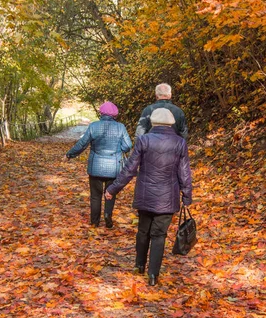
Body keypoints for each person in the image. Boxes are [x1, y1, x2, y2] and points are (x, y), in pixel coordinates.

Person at [105, 108, 192, 286]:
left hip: (145, 196)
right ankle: (153, 275)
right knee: (159, 235)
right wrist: (187, 195)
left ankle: (139, 265)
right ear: (171, 123)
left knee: (143, 231)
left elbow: (130, 169)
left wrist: (113, 189)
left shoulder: (143, 140)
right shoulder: (179, 143)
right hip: (168, 197)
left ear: (153, 122)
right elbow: (184, 172)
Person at [65, 102, 132, 228]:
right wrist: (119, 149)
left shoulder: (94, 126)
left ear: (101, 113)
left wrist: (70, 155)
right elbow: (128, 145)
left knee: (95, 196)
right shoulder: (120, 127)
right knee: (110, 193)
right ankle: (107, 215)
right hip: (113, 167)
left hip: (96, 166)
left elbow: (82, 144)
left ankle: (95, 221)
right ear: (114, 114)